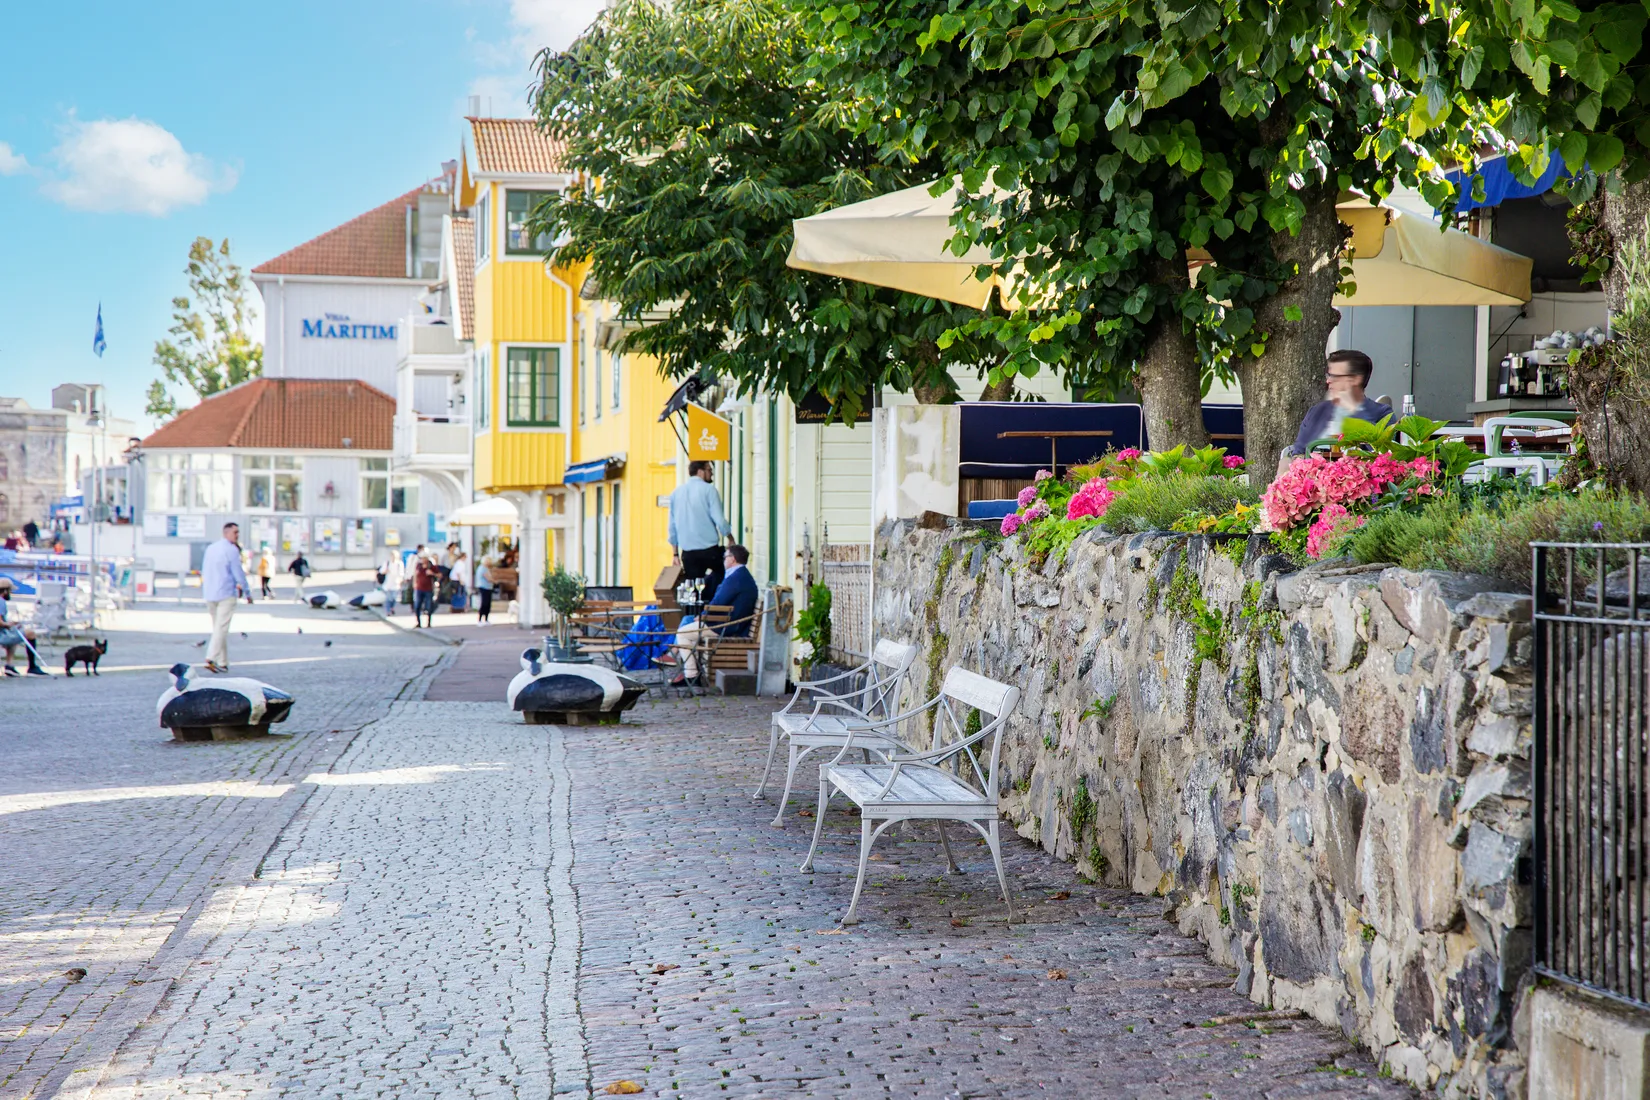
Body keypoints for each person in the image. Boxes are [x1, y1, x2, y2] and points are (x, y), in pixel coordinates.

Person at [667, 544, 759, 687]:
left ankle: (691, 676)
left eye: (725, 557)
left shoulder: (736, 578)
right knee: (688, 625)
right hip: (730, 622)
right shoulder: (741, 575)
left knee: (683, 633)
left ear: (732, 559)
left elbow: (719, 601)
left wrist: (703, 616)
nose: (723, 560)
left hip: (726, 626)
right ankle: (692, 671)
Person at [1288, 349, 1394, 456]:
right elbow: (1299, 452)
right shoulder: (1317, 412)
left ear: (1355, 379)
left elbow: (1381, 455)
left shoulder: (1382, 413)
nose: (1328, 381)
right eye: (1328, 375)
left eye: (1334, 376)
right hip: (1313, 471)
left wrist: (1356, 410)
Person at [668, 460, 734, 604]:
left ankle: (695, 620)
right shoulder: (709, 490)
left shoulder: (675, 494)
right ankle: (713, 608)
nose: (712, 474)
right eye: (709, 470)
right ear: (700, 471)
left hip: (688, 553)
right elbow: (719, 519)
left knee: (693, 594)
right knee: (723, 576)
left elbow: (672, 528)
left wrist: (675, 554)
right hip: (709, 550)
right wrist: (730, 537)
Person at [200, 522, 254, 673]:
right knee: (221, 628)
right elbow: (238, 573)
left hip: (210, 593)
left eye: (238, 532)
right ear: (226, 533)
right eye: (235, 532)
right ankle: (210, 658)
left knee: (218, 628)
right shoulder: (231, 550)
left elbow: (205, 570)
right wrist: (247, 592)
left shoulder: (211, 548)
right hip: (226, 593)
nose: (237, 535)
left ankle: (223, 662)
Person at [0, 577, 48, 676]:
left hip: (3, 633)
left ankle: (10, 666)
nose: (10, 593)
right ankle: (32, 667)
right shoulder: (1, 602)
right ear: (5, 591)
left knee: (15, 634)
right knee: (30, 634)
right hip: (1, 636)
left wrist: (10, 624)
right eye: (10, 591)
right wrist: (9, 624)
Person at [412, 550, 437, 628]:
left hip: (429, 588)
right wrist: (414, 583)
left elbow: (439, 575)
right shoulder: (418, 565)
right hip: (419, 588)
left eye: (424, 558)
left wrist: (432, 573)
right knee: (417, 605)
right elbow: (415, 574)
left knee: (429, 606)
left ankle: (429, 622)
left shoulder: (431, 565)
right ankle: (418, 622)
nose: (423, 560)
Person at [381, 551, 405, 616]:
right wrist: (385, 571)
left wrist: (400, 580)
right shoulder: (387, 563)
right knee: (388, 598)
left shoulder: (399, 564)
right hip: (388, 583)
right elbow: (381, 571)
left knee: (394, 598)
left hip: (396, 583)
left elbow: (401, 573)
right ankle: (388, 611)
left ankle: (392, 607)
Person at [475, 555, 495, 624]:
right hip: (485, 587)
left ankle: (485, 619)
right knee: (485, 603)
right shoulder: (483, 569)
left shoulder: (483, 568)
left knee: (486, 603)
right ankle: (481, 619)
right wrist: (494, 581)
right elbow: (488, 578)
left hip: (487, 587)